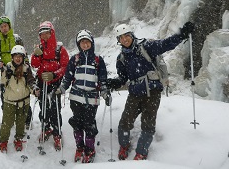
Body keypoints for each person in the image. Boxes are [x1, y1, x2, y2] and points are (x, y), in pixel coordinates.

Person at [107, 21, 195, 160]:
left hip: (152, 92)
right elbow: (123, 78)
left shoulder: (146, 46)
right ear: (118, 41)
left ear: (131, 35)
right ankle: (124, 145)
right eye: (121, 38)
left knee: (148, 124)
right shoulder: (122, 58)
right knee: (125, 122)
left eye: (126, 36)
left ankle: (141, 152)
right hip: (135, 93)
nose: (124, 39)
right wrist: (114, 82)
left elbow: (165, 44)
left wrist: (181, 35)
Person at [56, 30, 110, 163]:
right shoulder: (75, 59)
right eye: (82, 42)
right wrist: (61, 88)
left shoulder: (98, 60)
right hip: (75, 97)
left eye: (87, 42)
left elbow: (102, 79)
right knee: (77, 123)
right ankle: (79, 147)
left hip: (92, 98)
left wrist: (104, 92)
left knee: (89, 124)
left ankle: (89, 149)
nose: (85, 45)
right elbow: (67, 77)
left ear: (91, 43)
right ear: (79, 44)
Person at [31, 21, 69, 150]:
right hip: (42, 82)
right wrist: (36, 55)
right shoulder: (40, 48)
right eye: (42, 34)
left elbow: (65, 66)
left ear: (51, 33)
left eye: (47, 33)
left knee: (55, 108)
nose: (45, 36)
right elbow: (34, 65)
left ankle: (57, 133)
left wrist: (54, 74)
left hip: (55, 82)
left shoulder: (60, 49)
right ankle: (45, 128)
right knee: (43, 107)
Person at [0, 15, 32, 128]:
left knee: (24, 95)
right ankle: (9, 118)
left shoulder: (17, 39)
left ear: (9, 26)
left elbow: (24, 53)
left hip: (20, 71)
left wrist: (27, 66)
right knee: (6, 97)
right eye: (2, 27)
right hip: (6, 73)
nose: (4, 28)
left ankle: (27, 119)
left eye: (6, 26)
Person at [0, 45, 38, 153]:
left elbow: (31, 81)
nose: (18, 58)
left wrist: (34, 89)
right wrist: (1, 70)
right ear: (12, 57)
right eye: (16, 56)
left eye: (20, 56)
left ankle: (18, 139)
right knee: (7, 123)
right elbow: (0, 81)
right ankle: (3, 141)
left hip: (23, 102)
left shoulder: (26, 69)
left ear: (23, 57)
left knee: (21, 123)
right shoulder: (7, 67)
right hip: (9, 101)